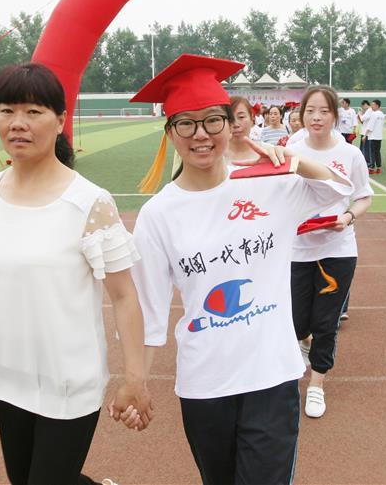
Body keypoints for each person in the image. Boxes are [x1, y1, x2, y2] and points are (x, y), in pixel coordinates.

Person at [129, 54, 352, 485]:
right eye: (186, 123)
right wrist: (136, 381)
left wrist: (292, 159)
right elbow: (147, 311)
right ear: (170, 133)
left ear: (231, 125)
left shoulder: (268, 184)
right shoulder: (158, 215)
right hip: (204, 383)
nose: (201, 134)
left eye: (213, 120)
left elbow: (339, 188)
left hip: (272, 376)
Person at [0, 63, 151, 485]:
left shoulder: (90, 202)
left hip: (70, 383)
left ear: (60, 121)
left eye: (34, 111)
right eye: (6, 110)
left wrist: (136, 379)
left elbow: (125, 296)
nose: (18, 123)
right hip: (5, 378)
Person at [288, 85, 373, 418]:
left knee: (326, 322)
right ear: (301, 114)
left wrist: (348, 216)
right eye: (311, 110)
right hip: (296, 248)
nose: (317, 117)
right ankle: (305, 344)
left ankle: (316, 384)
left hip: (336, 248)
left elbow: (364, 197)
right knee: (295, 322)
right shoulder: (293, 147)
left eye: (324, 111)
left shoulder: (350, 154)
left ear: (336, 115)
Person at [228, 95, 261, 163]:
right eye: (230, 118)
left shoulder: (266, 152)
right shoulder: (215, 156)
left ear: (252, 118)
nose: (236, 124)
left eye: (241, 117)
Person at [365, 99, 385, 174]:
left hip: (373, 136)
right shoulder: (382, 114)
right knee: (377, 152)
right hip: (379, 136)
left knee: (372, 152)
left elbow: (370, 126)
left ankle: (372, 168)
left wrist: (365, 135)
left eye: (372, 105)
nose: (371, 106)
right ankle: (379, 168)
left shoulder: (374, 114)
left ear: (377, 105)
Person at [358, 100, 372, 167]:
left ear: (365, 104)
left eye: (362, 106)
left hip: (365, 133)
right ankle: (366, 161)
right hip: (366, 132)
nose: (362, 108)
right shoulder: (369, 111)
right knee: (365, 147)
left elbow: (362, 119)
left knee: (365, 148)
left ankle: (366, 162)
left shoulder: (369, 110)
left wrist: (360, 114)